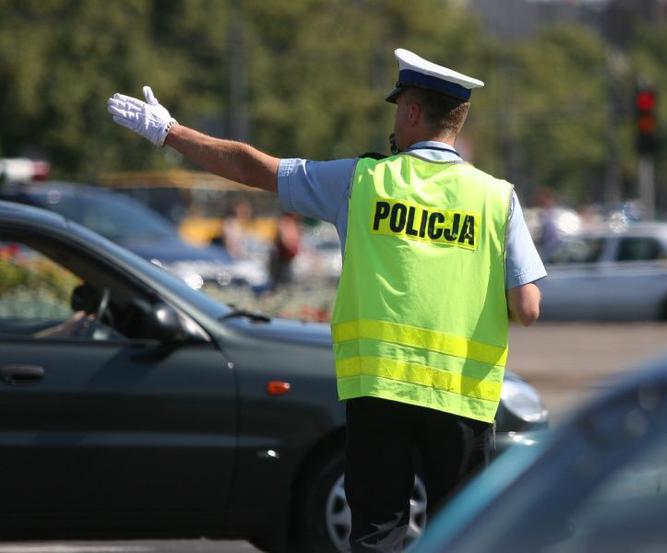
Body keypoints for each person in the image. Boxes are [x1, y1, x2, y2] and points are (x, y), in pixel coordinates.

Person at [107, 47, 545, 553]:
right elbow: (528, 308)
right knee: (462, 536)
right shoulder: (497, 197)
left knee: (378, 530)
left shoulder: (362, 182)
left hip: (379, 389)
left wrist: (170, 133)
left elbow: (257, 169)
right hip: (463, 400)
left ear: (411, 112)